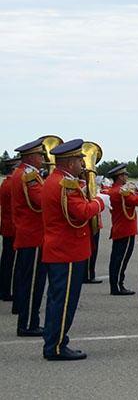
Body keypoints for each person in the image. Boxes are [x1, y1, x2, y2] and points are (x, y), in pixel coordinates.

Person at [39, 139, 109, 360]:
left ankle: (55, 341)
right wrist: (100, 202)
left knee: (58, 299)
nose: (83, 163)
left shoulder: (58, 181)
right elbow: (80, 213)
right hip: (67, 250)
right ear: (69, 162)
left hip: (62, 249)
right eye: (79, 159)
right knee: (64, 302)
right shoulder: (64, 185)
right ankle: (56, 346)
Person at [10, 138, 48, 335]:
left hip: (28, 234)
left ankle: (28, 321)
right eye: (40, 155)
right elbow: (40, 200)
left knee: (28, 281)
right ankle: (28, 324)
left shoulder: (24, 173)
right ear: (32, 157)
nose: (43, 158)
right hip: (32, 235)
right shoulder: (29, 176)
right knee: (33, 283)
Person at [105, 163, 138, 295]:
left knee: (116, 259)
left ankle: (116, 285)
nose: (126, 177)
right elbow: (137, 201)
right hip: (126, 229)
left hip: (120, 228)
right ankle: (118, 286)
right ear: (120, 176)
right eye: (125, 174)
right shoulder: (121, 191)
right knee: (121, 260)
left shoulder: (115, 190)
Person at [0, 158, 18, 305]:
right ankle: (6, 291)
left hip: (7, 226)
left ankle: (4, 288)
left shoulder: (5, 183)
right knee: (11, 262)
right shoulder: (13, 184)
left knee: (6, 260)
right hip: (14, 228)